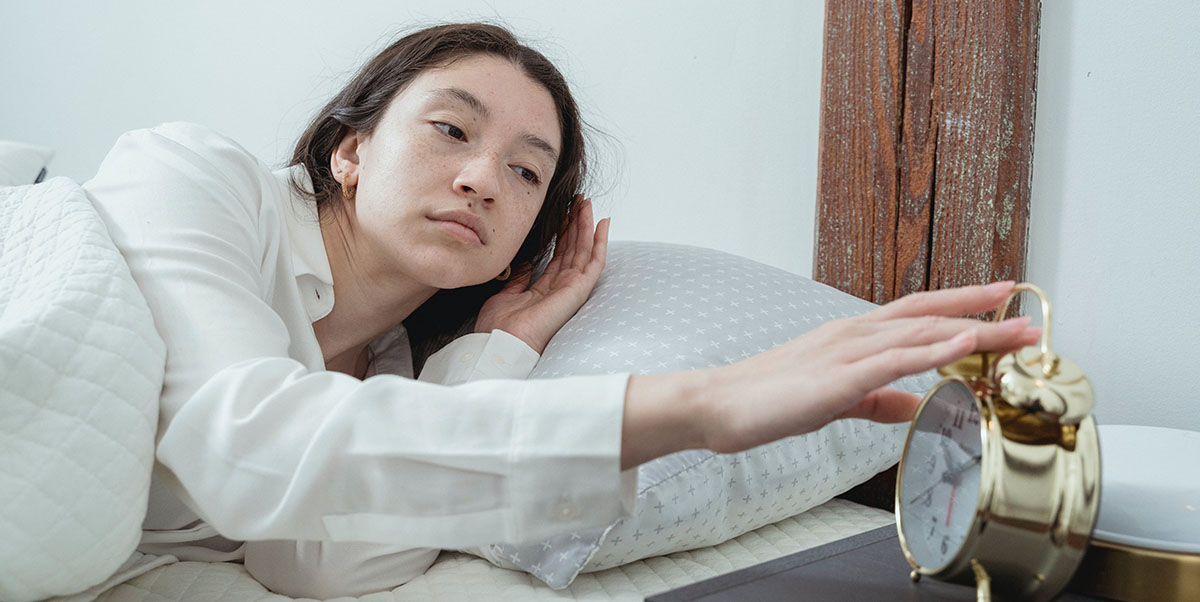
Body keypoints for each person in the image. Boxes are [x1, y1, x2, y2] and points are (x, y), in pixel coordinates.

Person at [83, 23, 1039, 598]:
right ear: (350, 149)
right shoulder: (191, 176)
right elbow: (244, 441)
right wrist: (699, 403)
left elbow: (320, 571)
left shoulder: (395, 372)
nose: (480, 178)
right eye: (451, 128)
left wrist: (496, 353)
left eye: (527, 171)